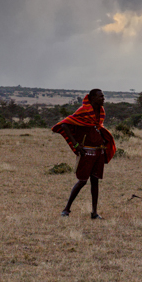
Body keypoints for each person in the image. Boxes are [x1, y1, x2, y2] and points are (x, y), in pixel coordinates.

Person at [52, 88, 116, 219]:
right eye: (100, 97)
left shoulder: (100, 112)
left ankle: (94, 212)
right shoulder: (83, 111)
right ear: (92, 98)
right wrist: (76, 144)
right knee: (82, 181)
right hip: (86, 151)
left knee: (95, 181)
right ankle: (66, 209)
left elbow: (97, 127)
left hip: (99, 150)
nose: (103, 99)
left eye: (103, 96)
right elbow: (64, 125)